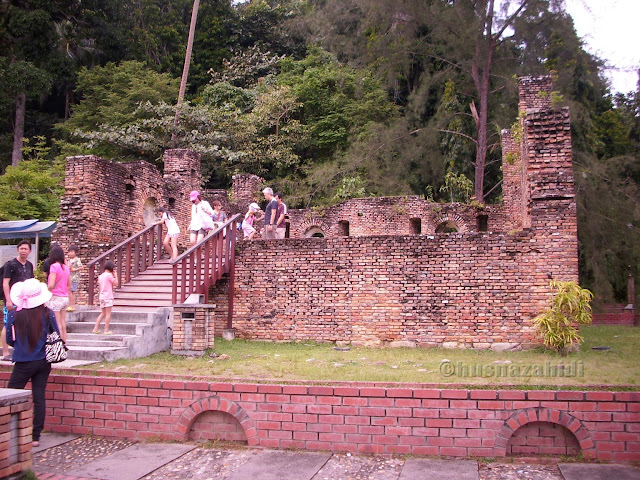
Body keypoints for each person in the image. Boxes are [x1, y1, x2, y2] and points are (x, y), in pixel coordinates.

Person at [5, 278, 60, 446]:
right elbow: (56, 334)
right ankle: (35, 437)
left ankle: (10, 431)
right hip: (43, 361)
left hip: (23, 360)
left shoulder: (15, 314)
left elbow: (9, 339)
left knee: (10, 396)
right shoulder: (48, 313)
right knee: (39, 397)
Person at [2, 240, 35, 362]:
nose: (23, 251)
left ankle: (22, 350)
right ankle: (5, 353)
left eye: (25, 249)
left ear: (29, 251)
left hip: (25, 301)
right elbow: (5, 283)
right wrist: (8, 300)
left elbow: (31, 283)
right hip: (12, 299)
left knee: (24, 325)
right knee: (7, 324)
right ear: (18, 250)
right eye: (21, 248)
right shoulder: (10, 265)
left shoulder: (29, 265)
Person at [46, 244, 71, 342]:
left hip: (56, 297)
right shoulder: (66, 267)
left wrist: (47, 291)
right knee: (63, 323)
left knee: (57, 323)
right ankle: (64, 342)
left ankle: (59, 343)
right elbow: (69, 285)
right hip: (65, 297)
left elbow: (51, 285)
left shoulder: (53, 267)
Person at [93, 261, 118, 335]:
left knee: (103, 313)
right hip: (108, 296)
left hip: (102, 296)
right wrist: (116, 275)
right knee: (108, 314)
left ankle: (95, 328)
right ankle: (106, 330)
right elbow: (116, 283)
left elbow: (100, 287)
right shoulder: (109, 275)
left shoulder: (101, 276)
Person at [66, 245, 83, 311]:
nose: (70, 253)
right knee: (69, 292)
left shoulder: (77, 259)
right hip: (69, 278)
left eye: (72, 252)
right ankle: (71, 305)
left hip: (74, 278)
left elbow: (81, 267)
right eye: (69, 252)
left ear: (76, 253)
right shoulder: (69, 260)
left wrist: (74, 269)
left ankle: (72, 306)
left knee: (71, 292)